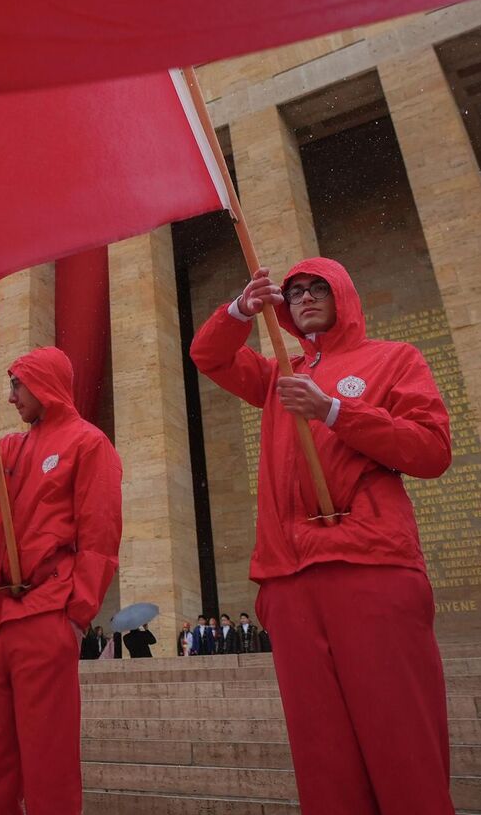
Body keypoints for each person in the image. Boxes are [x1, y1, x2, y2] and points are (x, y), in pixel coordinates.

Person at [193, 257, 455, 815]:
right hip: (289, 579)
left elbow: (431, 451)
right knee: (323, 759)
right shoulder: (278, 373)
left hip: (368, 567)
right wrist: (241, 308)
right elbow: (208, 356)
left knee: (401, 745)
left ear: (343, 294)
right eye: (294, 293)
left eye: (317, 288)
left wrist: (337, 411)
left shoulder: (391, 359)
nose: (305, 298)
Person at [0, 346, 123, 815]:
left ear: (44, 382)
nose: (10, 398)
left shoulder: (88, 444)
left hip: (45, 613)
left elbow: (100, 537)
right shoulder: (10, 446)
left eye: (16, 385)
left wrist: (77, 614)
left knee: (49, 762)